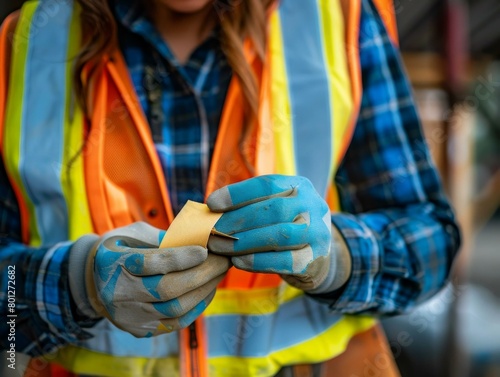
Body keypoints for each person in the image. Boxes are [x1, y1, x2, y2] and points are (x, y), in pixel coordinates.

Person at [0, 0, 461, 376]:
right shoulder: (26, 44)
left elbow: (431, 240)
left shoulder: (339, 22)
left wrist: (338, 256)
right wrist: (77, 284)